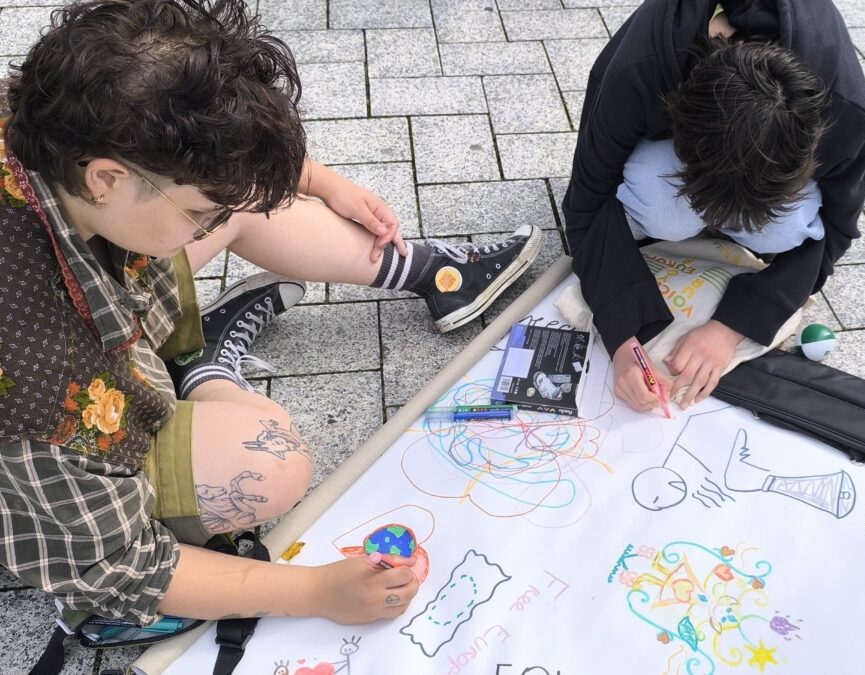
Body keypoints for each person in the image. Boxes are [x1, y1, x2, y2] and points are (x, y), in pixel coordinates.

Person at [0, 0, 540, 628]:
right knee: (272, 465)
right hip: (51, 447)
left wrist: (315, 180)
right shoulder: (32, 371)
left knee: (244, 198)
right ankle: (205, 371)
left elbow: (216, 170)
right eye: (202, 211)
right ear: (104, 179)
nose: (220, 218)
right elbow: (117, 565)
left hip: (94, 323)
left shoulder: (51, 121)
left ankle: (434, 276)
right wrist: (313, 594)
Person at [563, 0, 865, 412]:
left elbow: (837, 230)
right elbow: (587, 199)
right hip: (669, 102)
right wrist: (621, 338)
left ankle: (749, 215)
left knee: (784, 228)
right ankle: (675, 205)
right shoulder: (639, 72)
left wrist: (730, 328)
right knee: (663, 209)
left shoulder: (845, 113)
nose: (714, 221)